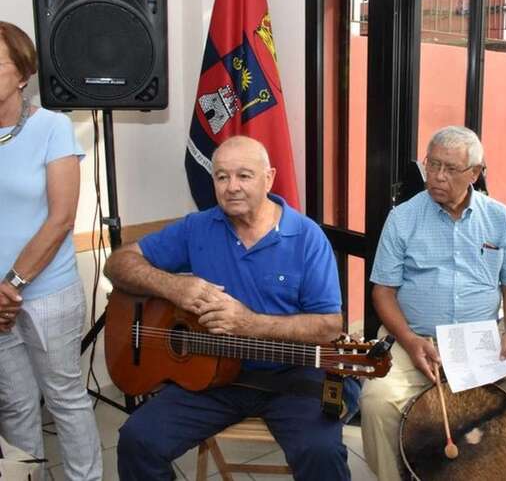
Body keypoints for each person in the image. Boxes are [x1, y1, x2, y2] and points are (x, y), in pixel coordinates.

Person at [104, 136, 355, 481]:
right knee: (138, 439)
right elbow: (118, 263)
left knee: (321, 453)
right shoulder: (197, 227)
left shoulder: (307, 237)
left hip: (291, 374)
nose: (231, 187)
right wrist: (172, 286)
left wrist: (249, 323)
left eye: (244, 175)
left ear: (269, 178)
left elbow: (329, 326)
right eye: (222, 177)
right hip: (212, 372)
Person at [360, 125, 506, 481]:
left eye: (450, 168)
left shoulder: (498, 217)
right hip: (417, 339)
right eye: (432, 164)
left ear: (475, 173)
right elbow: (382, 293)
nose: (437, 176)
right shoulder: (403, 218)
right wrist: (410, 340)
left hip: (482, 340)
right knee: (377, 401)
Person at [0, 22, 101, 480]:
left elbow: (61, 218)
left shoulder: (52, 127)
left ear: (23, 74)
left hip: (47, 295)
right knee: (15, 404)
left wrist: (11, 285)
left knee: (64, 398)